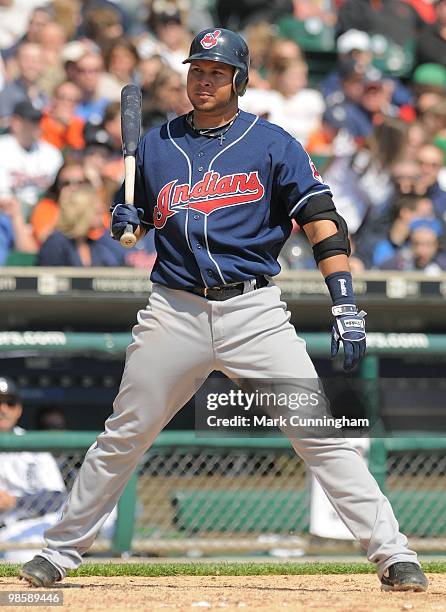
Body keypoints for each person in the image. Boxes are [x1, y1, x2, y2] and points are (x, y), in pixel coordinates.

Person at [20, 28, 428, 593]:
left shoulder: (272, 143)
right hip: (175, 309)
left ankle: (394, 553)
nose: (203, 80)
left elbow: (322, 221)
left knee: (318, 433)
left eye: (216, 71)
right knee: (124, 434)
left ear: (239, 79)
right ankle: (59, 552)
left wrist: (345, 302)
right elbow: (137, 223)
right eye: (196, 70)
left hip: (253, 310)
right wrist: (126, 220)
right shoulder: (157, 146)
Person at [0, 377, 65, 562]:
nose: (3, 409)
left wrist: (15, 502)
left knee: (24, 556)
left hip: (26, 526)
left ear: (18, 409)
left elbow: (56, 497)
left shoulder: (33, 446)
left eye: (9, 403)